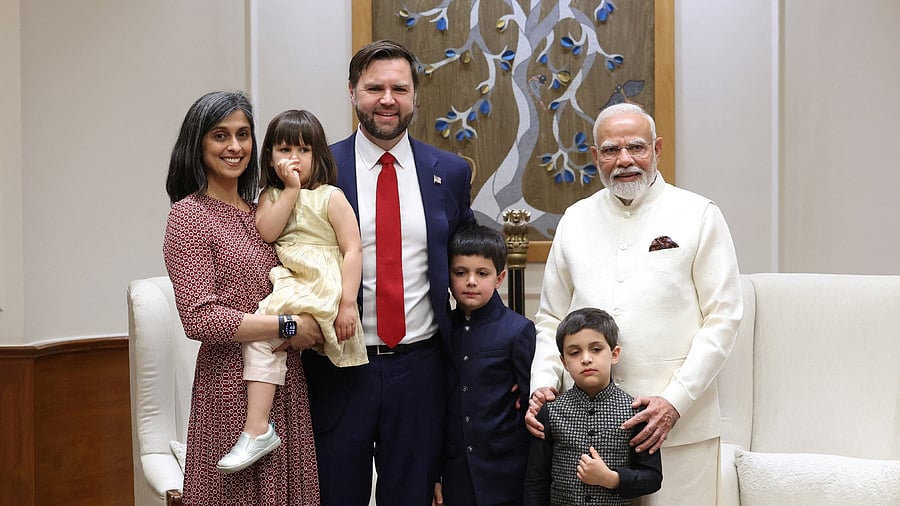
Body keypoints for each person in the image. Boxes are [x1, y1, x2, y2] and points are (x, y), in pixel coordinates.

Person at [527, 102, 742, 505]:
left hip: (679, 430)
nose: (624, 160)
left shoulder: (698, 214)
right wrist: (543, 384)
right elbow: (550, 317)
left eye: (636, 147)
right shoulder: (575, 219)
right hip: (587, 440)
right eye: (610, 150)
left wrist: (674, 401)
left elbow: (724, 317)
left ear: (657, 149)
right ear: (595, 158)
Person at [301, 39, 476, 505]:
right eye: (374, 87)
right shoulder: (320, 170)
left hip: (420, 369)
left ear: (416, 96)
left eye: (399, 88)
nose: (387, 99)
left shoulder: (452, 172)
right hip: (339, 366)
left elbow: (468, 264)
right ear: (352, 93)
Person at [163, 91, 321, 504]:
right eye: (220, 135)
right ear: (198, 144)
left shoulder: (264, 211)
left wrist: (316, 325)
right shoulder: (188, 216)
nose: (234, 147)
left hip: (285, 385)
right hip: (228, 392)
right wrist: (290, 326)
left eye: (243, 135)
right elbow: (201, 319)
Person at [216, 109, 367, 473]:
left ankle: (256, 428)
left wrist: (348, 303)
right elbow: (267, 232)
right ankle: (258, 428)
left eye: (304, 150)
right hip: (294, 283)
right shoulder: (270, 196)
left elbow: (353, 249)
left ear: (319, 156)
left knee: (265, 331)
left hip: (322, 284)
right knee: (266, 336)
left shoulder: (331, 196)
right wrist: (291, 190)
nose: (294, 159)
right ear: (269, 156)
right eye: (284, 149)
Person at [435, 224, 536, 506]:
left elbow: (530, 405)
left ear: (500, 277)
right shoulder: (443, 330)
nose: (470, 281)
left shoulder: (518, 330)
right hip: (456, 471)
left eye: (482, 273)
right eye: (460, 273)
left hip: (506, 470)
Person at [525, 308, 663, 505]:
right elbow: (536, 480)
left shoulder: (636, 413)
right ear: (563, 362)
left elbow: (652, 478)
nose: (586, 359)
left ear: (614, 354)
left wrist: (612, 479)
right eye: (575, 352)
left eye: (596, 349)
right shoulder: (550, 411)